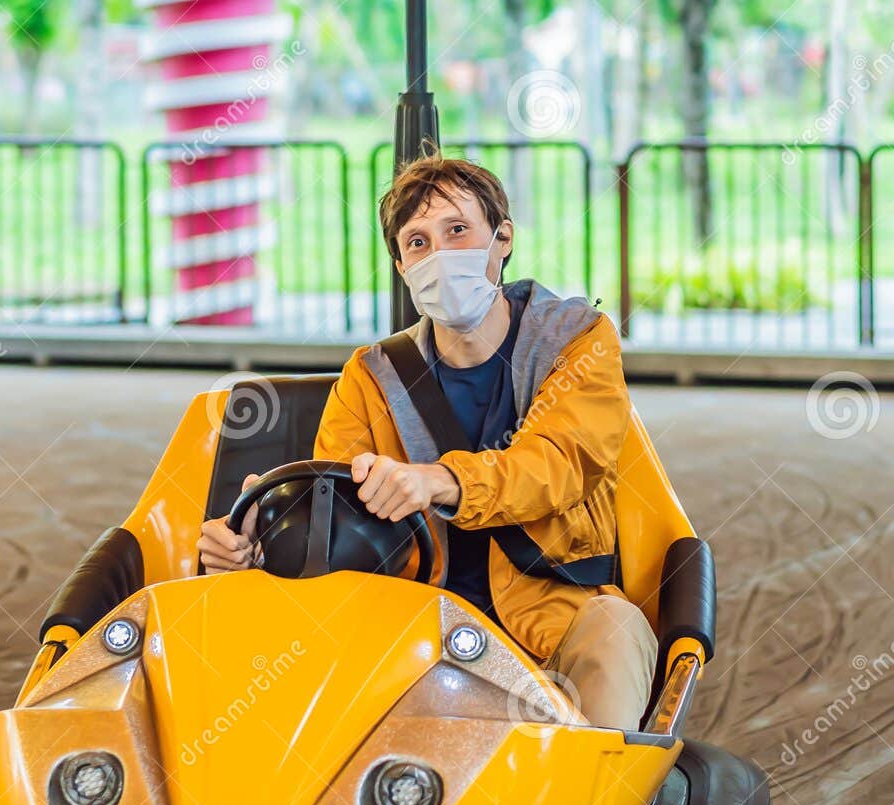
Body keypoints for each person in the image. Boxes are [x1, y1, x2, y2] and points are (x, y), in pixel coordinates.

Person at [196, 154, 657, 731]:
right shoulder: (372, 376)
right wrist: (257, 549)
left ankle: (596, 804)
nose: (439, 254)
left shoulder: (574, 340)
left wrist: (437, 480)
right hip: (410, 622)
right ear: (401, 264)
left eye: (457, 231)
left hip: (548, 609)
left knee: (614, 632)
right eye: (418, 242)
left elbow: (561, 463)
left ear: (502, 237)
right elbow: (332, 523)